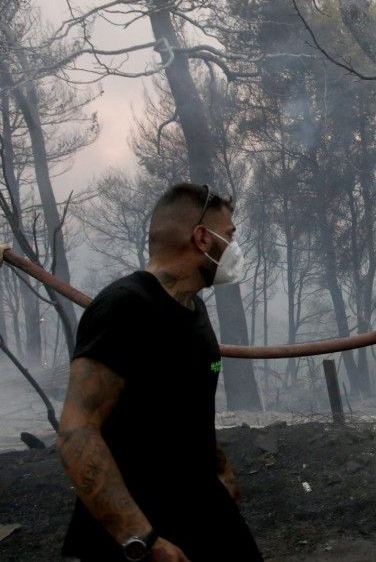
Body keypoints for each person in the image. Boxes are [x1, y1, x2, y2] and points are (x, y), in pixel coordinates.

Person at [58, 183, 261, 562]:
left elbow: (184, 405)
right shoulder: (124, 308)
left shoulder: (192, 308)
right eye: (230, 236)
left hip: (202, 510)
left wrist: (218, 466)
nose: (235, 248)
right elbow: (76, 431)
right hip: (140, 531)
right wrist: (141, 540)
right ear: (202, 237)